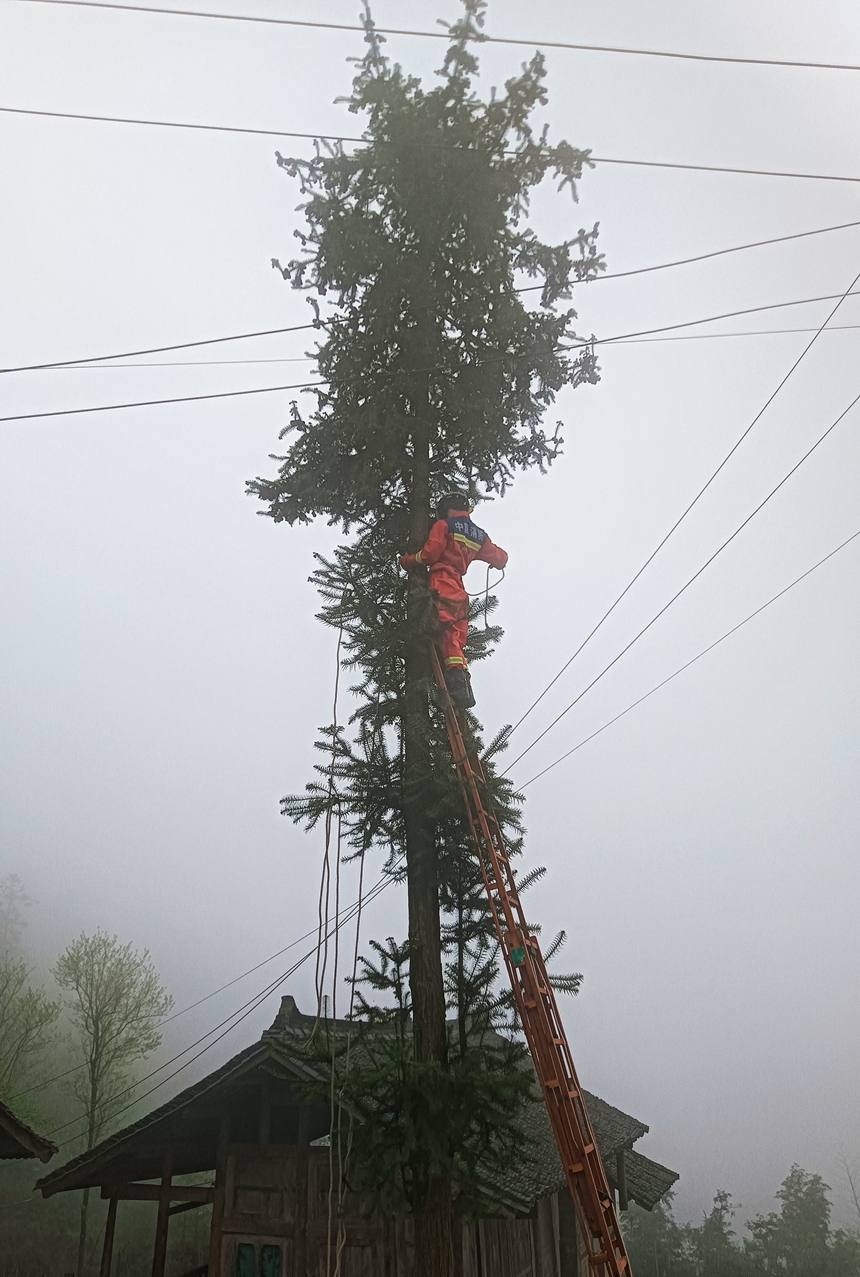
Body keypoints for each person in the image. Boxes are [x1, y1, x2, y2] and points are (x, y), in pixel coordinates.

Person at [400, 491, 508, 709]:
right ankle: (464, 685)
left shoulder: (444, 526)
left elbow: (429, 555)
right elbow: (501, 558)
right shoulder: (479, 535)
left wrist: (409, 560)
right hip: (460, 590)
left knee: (447, 632)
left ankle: (458, 686)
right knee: (457, 636)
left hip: (442, 581)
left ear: (446, 509)